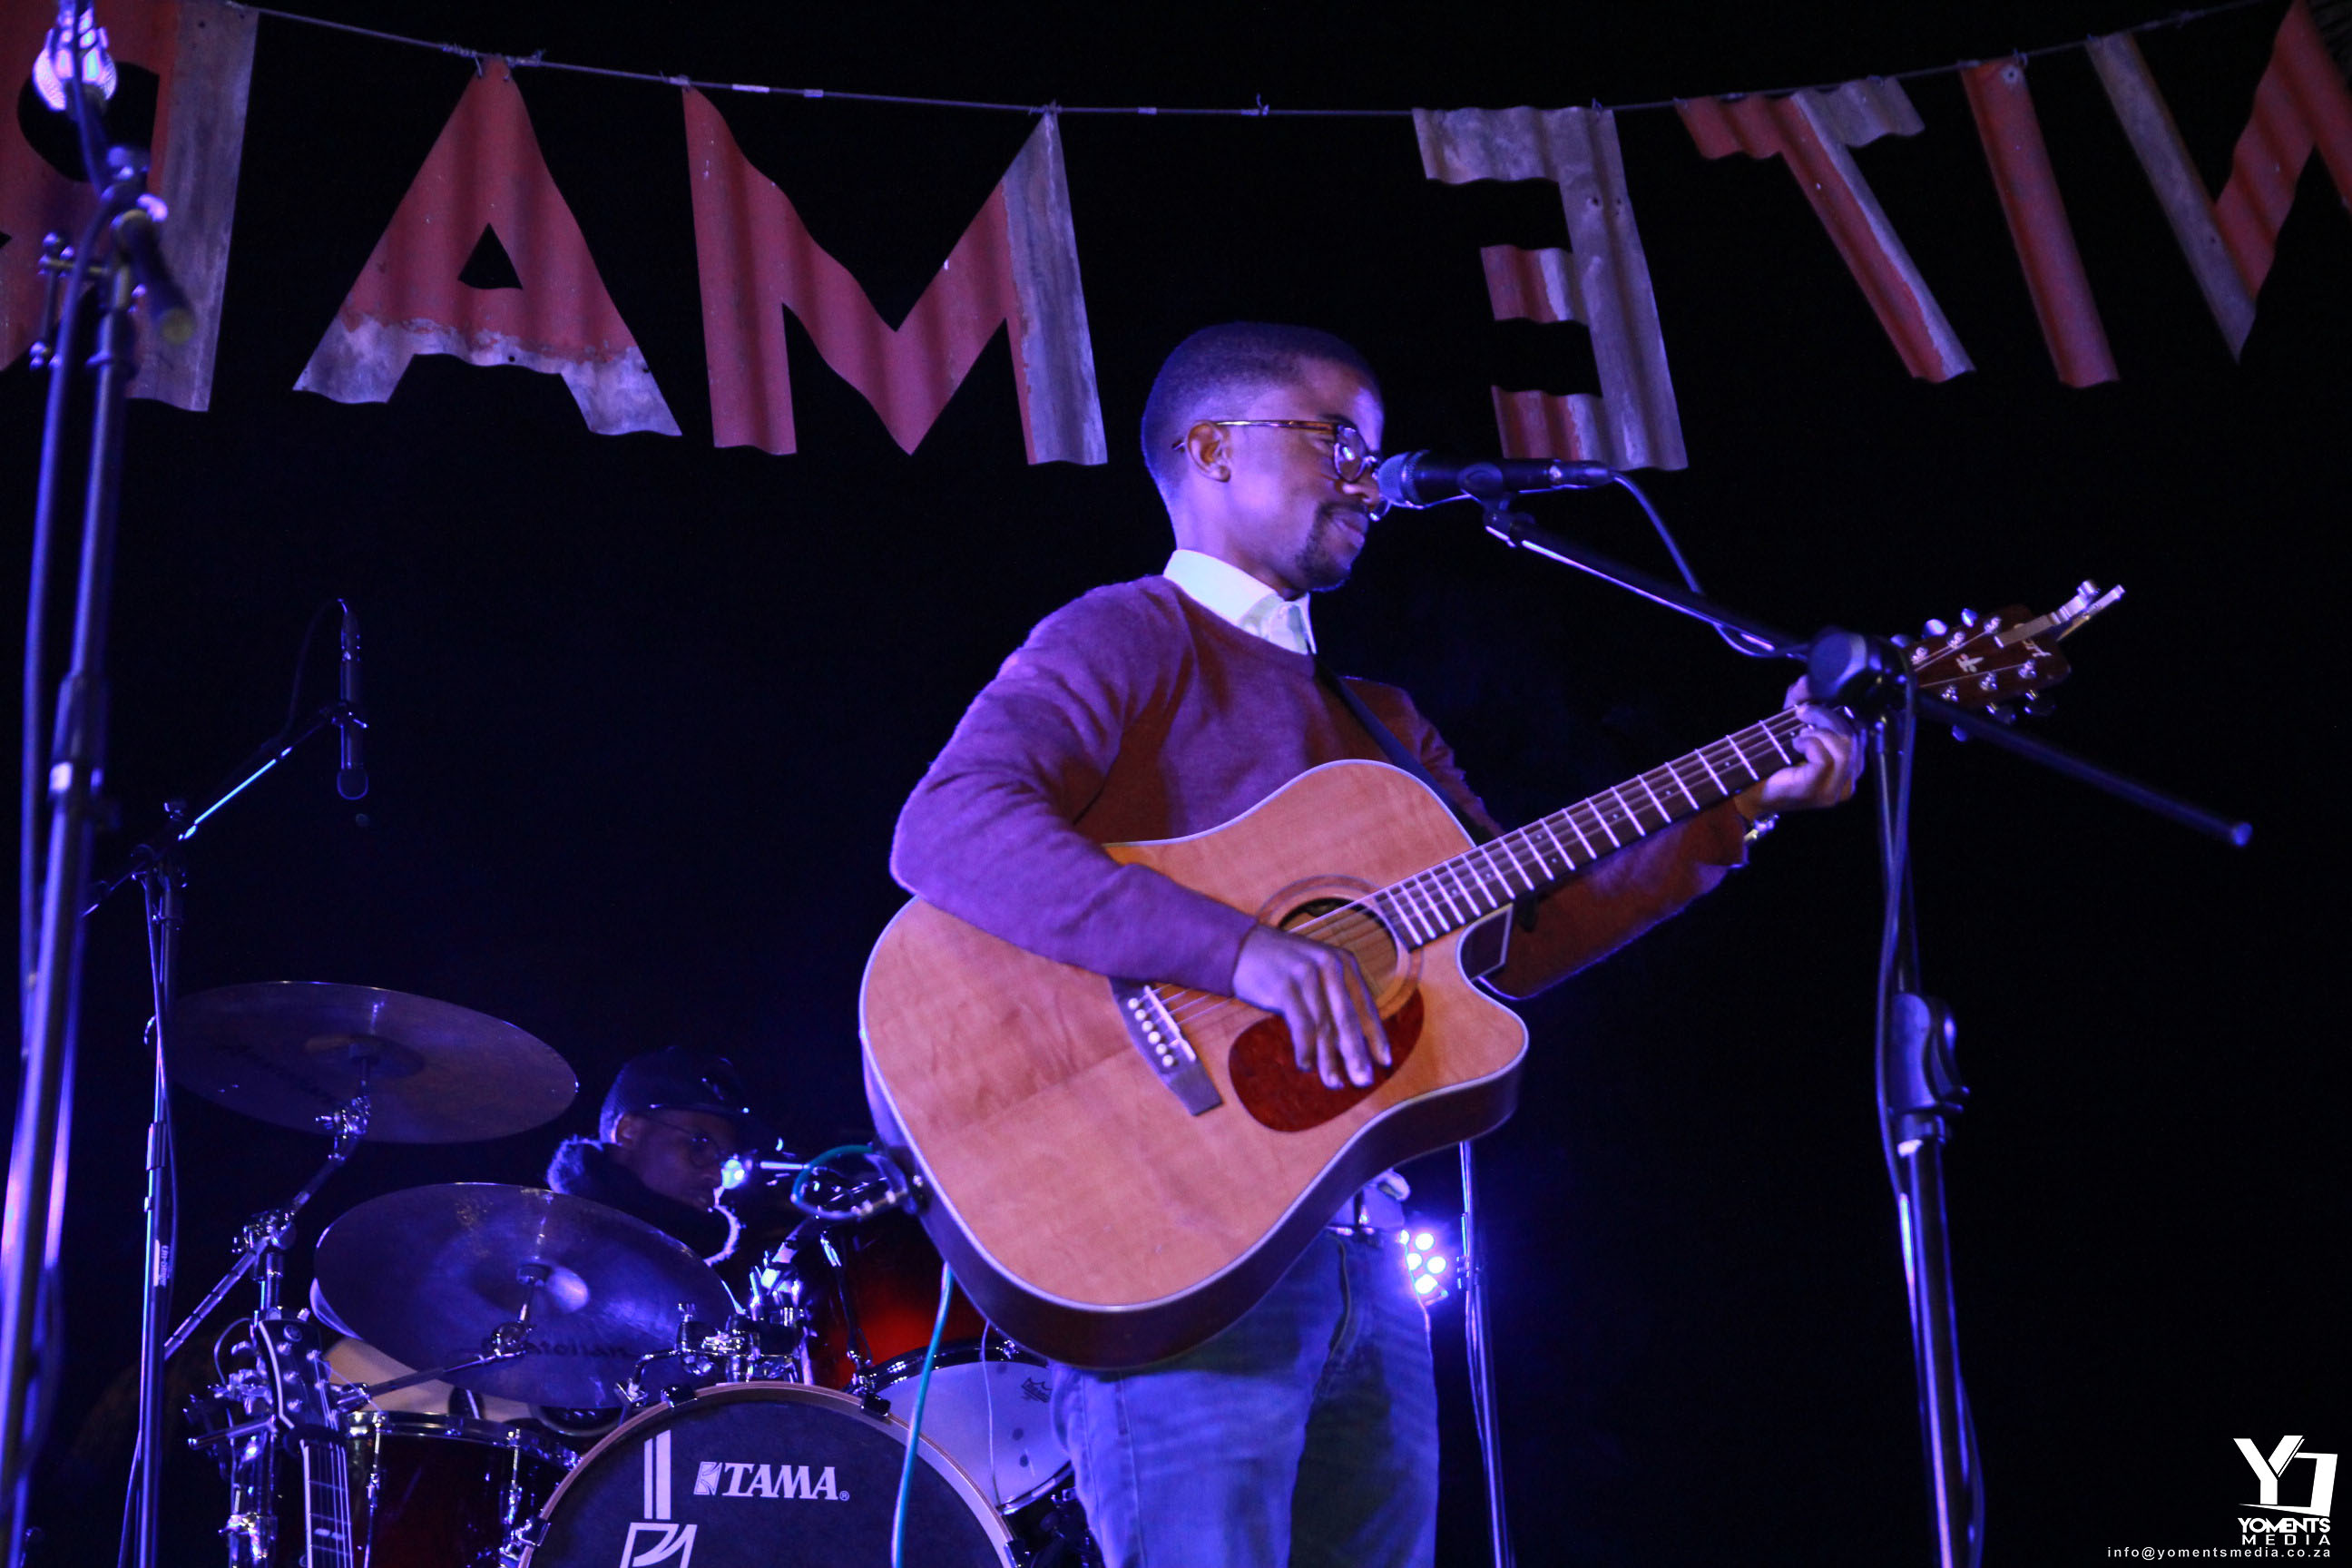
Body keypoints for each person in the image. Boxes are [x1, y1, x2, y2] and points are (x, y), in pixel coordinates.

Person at [887, 322, 1862, 1568]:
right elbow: (949, 827)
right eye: (1335, 440)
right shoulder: (1127, 635)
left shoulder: (1384, 721)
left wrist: (1737, 808)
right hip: (1179, 1241)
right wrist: (1240, 953)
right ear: (1212, 450)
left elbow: (1512, 941)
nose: (1369, 478)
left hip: (1369, 1253)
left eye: (1374, 451)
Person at [544, 1046, 776, 1262]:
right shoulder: (541, 1245)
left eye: (726, 1162)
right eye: (700, 1145)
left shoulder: (697, 1286)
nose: (717, 1177)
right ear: (628, 1131)